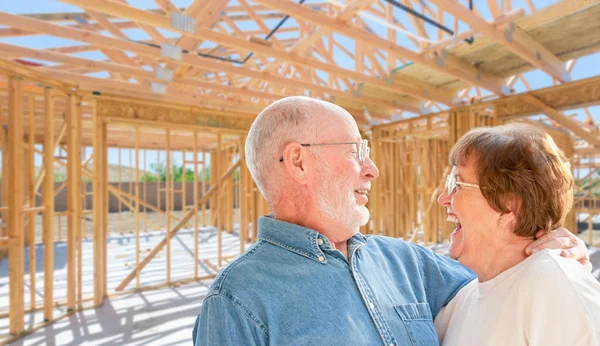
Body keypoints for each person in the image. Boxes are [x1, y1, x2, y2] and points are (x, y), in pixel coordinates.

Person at [193, 97, 588, 345]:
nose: (373, 169)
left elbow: (503, 277)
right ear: (298, 161)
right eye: (356, 150)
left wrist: (549, 245)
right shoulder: (236, 303)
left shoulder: (406, 262)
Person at [435, 123, 600, 345]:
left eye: (457, 183)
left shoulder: (551, 284)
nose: (443, 198)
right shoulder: (463, 299)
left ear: (509, 204)